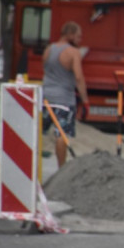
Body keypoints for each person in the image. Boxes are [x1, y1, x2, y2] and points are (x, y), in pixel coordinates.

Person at [42, 21, 90, 167]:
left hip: (45, 98)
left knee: (39, 133)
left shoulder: (49, 49)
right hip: (64, 100)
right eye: (78, 36)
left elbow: (46, 70)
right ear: (69, 34)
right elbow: (78, 78)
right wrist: (85, 101)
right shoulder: (73, 52)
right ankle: (61, 168)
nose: (80, 40)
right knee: (61, 134)